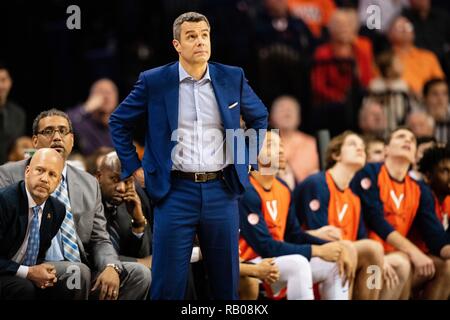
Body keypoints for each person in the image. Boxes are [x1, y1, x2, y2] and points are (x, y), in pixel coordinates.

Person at [109, 12, 268, 300]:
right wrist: (134, 167)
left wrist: (247, 159)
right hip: (175, 191)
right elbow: (118, 121)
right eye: (191, 36)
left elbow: (260, 117)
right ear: (177, 44)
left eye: (204, 35)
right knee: (167, 286)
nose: (200, 41)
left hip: (222, 189)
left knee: (225, 285)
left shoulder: (233, 76)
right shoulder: (154, 81)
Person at [0, 109, 150, 300]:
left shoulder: (88, 182)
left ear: (71, 140)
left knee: (139, 275)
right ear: (35, 141)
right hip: (35, 264)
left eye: (63, 131)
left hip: (81, 263)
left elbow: (99, 239)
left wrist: (111, 266)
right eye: (48, 131)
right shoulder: (6, 175)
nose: (57, 137)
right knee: (77, 273)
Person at [239, 132, 353, 300]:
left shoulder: (283, 188)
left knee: (334, 264)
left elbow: (294, 235)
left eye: (282, 145)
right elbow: (264, 246)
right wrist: (318, 250)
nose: (280, 151)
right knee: (298, 264)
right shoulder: (246, 190)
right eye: (271, 145)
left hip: (277, 258)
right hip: (251, 261)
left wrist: (333, 248)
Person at [351, 127, 450, 299]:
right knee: (401, 265)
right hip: (368, 261)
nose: (408, 141)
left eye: (412, 139)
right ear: (386, 150)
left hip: (399, 257)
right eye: (401, 136)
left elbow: (435, 236)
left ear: (414, 157)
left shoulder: (419, 189)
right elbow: (375, 220)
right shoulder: (369, 173)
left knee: (446, 268)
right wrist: (414, 252)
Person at [295, 131, 385, 300]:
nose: (360, 148)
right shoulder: (317, 183)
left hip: (341, 257)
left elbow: (360, 240)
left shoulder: (354, 198)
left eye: (363, 147)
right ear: (336, 154)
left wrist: (379, 262)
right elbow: (318, 234)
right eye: (352, 144)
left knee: (381, 265)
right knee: (372, 249)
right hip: (310, 255)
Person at [0, 148, 66, 299]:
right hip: (4, 272)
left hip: (25, 272)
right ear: (27, 171)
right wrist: (29, 272)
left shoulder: (57, 210)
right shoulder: (4, 201)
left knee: (66, 283)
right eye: (40, 170)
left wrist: (42, 271)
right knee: (24, 288)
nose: (44, 179)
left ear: (58, 181)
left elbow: (40, 253)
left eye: (52, 174)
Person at [95, 151, 153, 268]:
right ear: (98, 177)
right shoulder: (88, 201)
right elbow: (93, 253)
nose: (121, 188)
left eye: (127, 182)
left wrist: (138, 222)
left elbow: (146, 254)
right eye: (114, 179)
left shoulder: (136, 199)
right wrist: (140, 263)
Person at [410, 146, 450, 299]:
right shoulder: (423, 193)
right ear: (427, 176)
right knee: (447, 267)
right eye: (445, 171)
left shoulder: (446, 201)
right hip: (403, 258)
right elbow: (438, 242)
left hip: (423, 259)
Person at [67, 79, 118, 156]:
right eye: (101, 92)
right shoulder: (82, 123)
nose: (105, 97)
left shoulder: (120, 127)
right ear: (91, 97)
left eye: (109, 93)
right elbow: (62, 123)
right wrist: (87, 107)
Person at [0, 62, 26, 165]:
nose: (0, 86)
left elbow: (20, 146)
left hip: (9, 172)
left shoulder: (18, 114)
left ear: (10, 82)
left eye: (3, 80)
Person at [422, 78, 450, 144]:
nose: (440, 99)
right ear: (425, 98)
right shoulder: (418, 122)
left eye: (444, 94)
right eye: (435, 94)